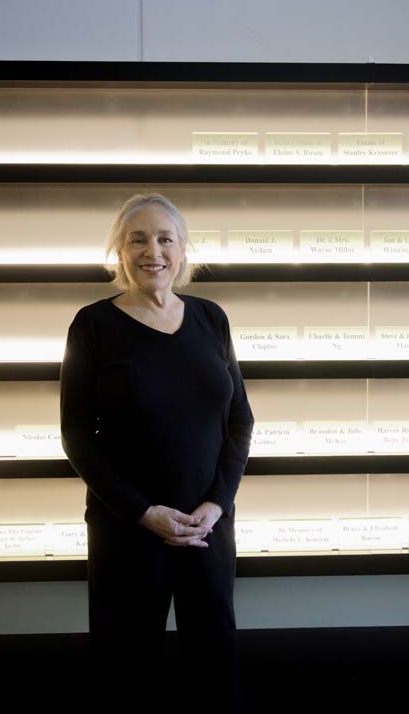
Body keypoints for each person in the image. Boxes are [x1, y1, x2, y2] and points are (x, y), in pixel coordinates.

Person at [59, 192, 255, 711]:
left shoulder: (211, 319)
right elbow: (77, 437)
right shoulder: (93, 325)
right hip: (128, 530)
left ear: (183, 249)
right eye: (138, 239)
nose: (154, 251)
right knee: (127, 668)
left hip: (207, 526)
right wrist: (144, 514)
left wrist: (217, 504)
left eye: (166, 238)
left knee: (214, 660)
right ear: (119, 252)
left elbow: (240, 420)